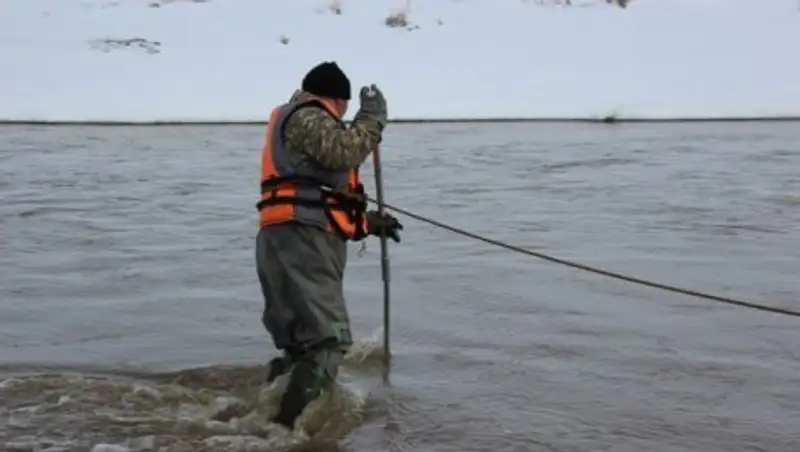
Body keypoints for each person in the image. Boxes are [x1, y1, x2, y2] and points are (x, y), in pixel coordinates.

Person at [254, 61, 404, 429]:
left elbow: (316, 198)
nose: (342, 115)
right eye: (344, 107)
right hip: (302, 242)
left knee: (301, 346)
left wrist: (367, 222)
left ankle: (271, 415)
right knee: (326, 343)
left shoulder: (295, 121)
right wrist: (373, 118)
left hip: (285, 239)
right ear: (335, 98)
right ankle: (284, 432)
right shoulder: (308, 114)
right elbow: (344, 152)